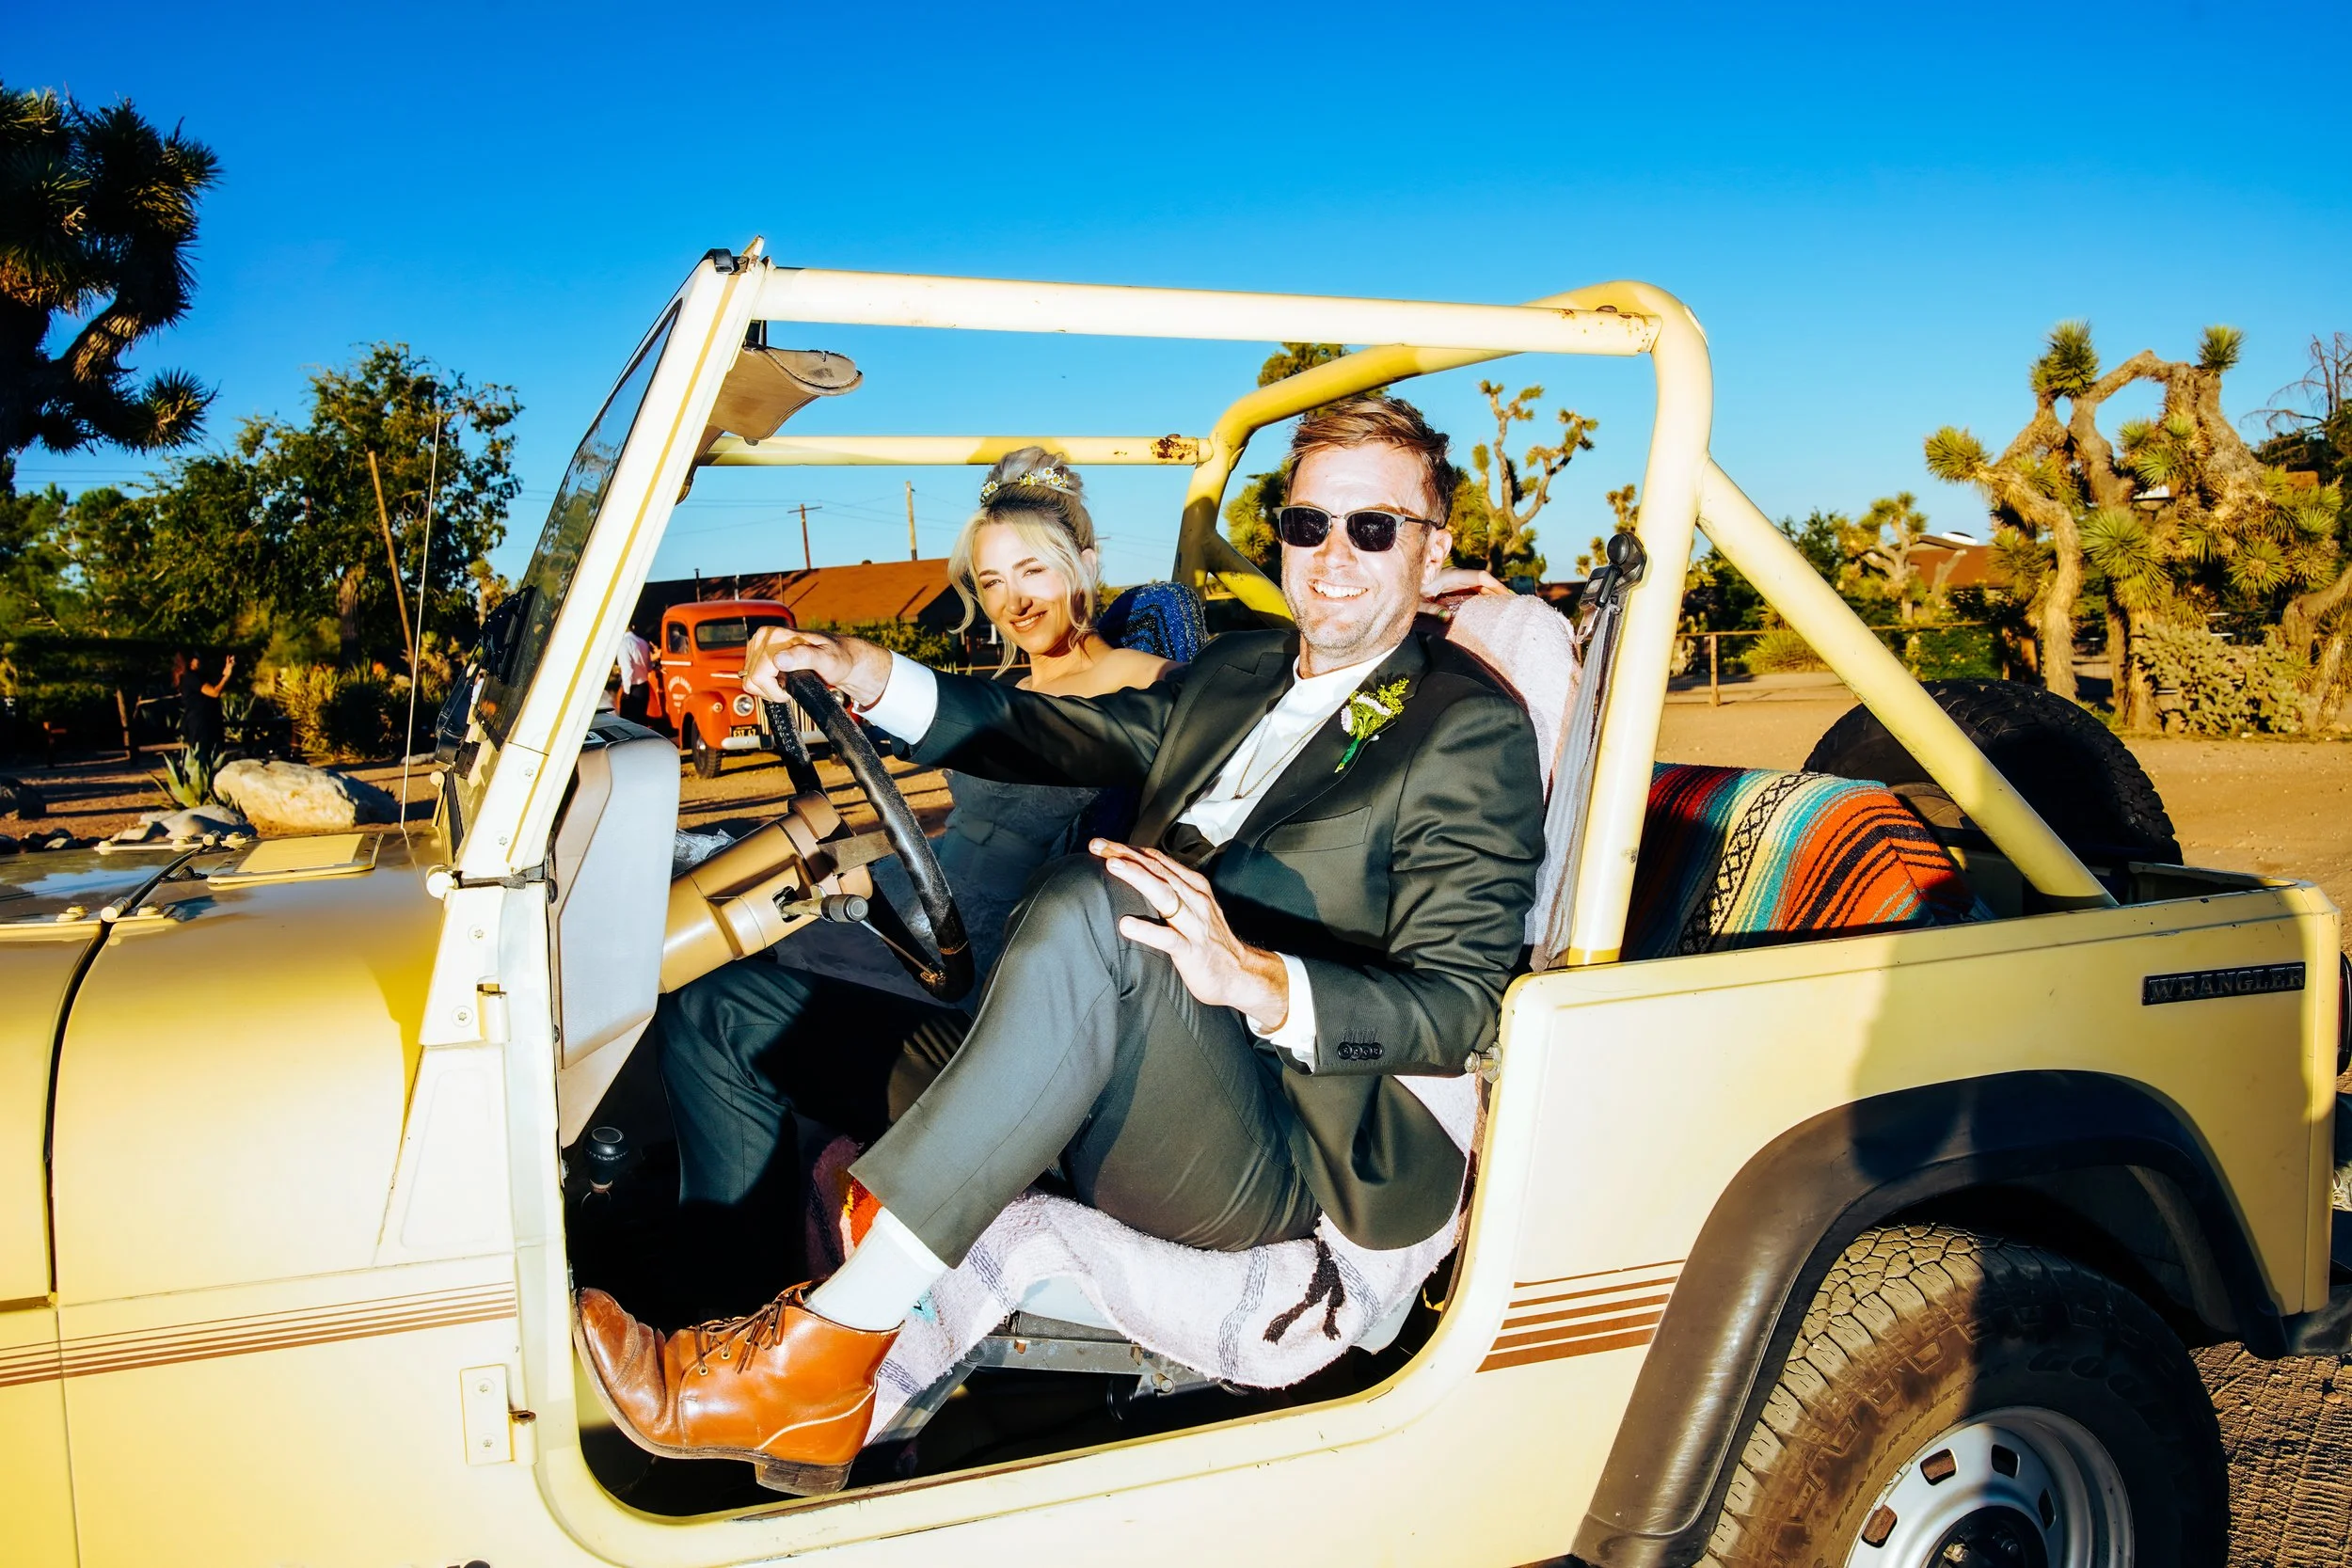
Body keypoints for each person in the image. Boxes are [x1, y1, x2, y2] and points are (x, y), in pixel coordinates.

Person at [576, 397, 1545, 1497]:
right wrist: (863, 669)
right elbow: (1050, 726)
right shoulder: (1230, 674)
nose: (1332, 555)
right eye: (1307, 522)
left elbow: (1464, 1002)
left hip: (1275, 1132)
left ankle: (823, 1362)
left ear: (1432, 546)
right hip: (1099, 1059)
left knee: (1105, 897)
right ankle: (729, 1347)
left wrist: (1260, 980)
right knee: (729, 1011)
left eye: (1374, 528)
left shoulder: (1464, 727)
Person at [767, 447, 1170, 1003]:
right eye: (993, 581)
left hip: (1010, 939)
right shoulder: (1010, 694)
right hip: (929, 893)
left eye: (1033, 570)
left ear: (1088, 563)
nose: (1015, 602)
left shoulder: (1145, 680)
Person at [179, 650, 234, 764]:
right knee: (203, 757)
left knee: (215, 754)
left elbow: (216, 686)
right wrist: (226, 677)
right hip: (200, 724)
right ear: (191, 662)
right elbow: (214, 692)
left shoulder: (201, 676)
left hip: (210, 722)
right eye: (197, 659)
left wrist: (226, 672)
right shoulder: (191, 677)